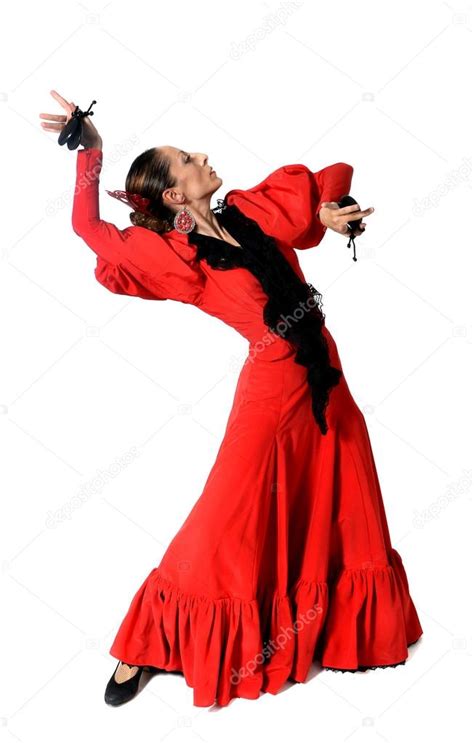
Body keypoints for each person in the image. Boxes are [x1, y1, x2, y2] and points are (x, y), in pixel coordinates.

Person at [39, 90, 423, 708]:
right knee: (227, 513)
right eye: (189, 159)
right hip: (271, 386)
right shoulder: (177, 256)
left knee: (344, 491)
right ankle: (148, 640)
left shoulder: (250, 213)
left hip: (323, 368)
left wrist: (331, 215)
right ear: (173, 195)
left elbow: (312, 210)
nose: (203, 156)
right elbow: (89, 228)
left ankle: (339, 629)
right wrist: (93, 154)